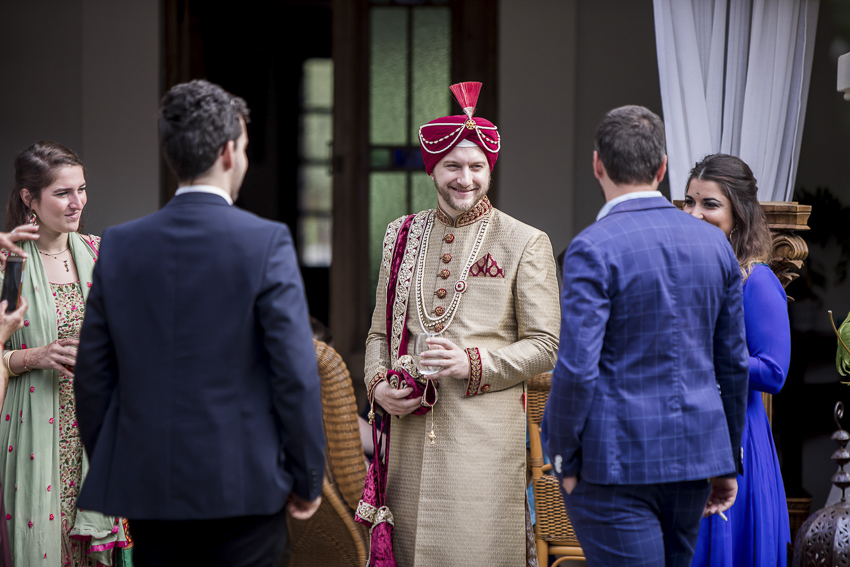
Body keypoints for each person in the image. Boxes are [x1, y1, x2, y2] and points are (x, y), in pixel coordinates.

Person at [73, 79, 325, 567]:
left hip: (148, 488)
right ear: (230, 152)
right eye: (246, 148)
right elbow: (295, 373)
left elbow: (93, 376)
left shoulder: (121, 244)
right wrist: (306, 477)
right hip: (245, 487)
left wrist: (125, 463)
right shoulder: (265, 241)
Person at [542, 106, 749, 567]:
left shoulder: (591, 248)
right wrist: (726, 459)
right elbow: (733, 361)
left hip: (614, 463)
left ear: (597, 164)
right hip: (695, 457)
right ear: (662, 168)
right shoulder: (715, 244)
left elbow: (576, 367)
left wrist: (560, 459)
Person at [364, 82, 560, 566]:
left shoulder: (525, 241)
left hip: (482, 443)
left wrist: (471, 361)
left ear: (490, 169)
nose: (465, 179)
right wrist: (376, 388)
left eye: (477, 167)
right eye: (453, 165)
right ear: (433, 169)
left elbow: (546, 345)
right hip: (408, 439)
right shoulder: (401, 235)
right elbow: (378, 336)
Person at [0, 142, 132, 566]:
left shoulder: (98, 252)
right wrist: (34, 357)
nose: (78, 203)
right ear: (28, 198)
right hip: (32, 425)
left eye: (82, 189)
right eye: (62, 193)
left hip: (94, 428)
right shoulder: (10, 263)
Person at [685, 154, 791, 567]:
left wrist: (707, 356)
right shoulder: (686, 275)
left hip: (736, 440)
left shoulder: (757, 280)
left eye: (709, 204)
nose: (695, 214)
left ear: (739, 214)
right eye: (690, 202)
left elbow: (775, 371)